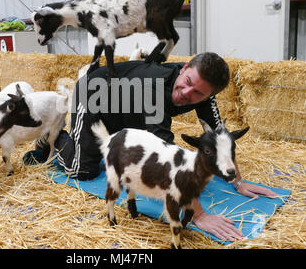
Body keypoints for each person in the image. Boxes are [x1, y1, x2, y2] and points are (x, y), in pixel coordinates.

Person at [23, 47, 277, 242]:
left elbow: (221, 139)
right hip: (94, 96)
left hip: (128, 109)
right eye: (187, 82)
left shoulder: (201, 92)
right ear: (185, 67)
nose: (187, 94)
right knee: (84, 172)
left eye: (198, 93)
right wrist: (199, 215)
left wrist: (238, 181)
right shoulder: (155, 89)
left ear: (209, 95)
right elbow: (166, 158)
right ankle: (53, 136)